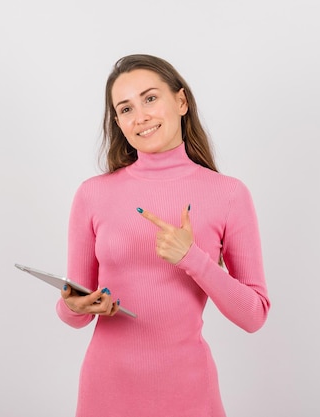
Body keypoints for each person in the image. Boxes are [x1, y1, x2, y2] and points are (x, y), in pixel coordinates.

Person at [56, 54, 270, 417]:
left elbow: (254, 316)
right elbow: (74, 306)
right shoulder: (92, 194)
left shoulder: (229, 194)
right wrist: (73, 307)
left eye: (150, 98)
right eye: (125, 109)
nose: (140, 117)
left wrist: (193, 260)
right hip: (106, 393)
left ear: (181, 101)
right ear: (118, 122)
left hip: (188, 395)